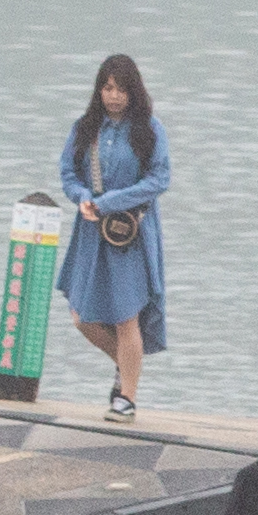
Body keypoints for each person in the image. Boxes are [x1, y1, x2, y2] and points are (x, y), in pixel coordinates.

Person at [58, 54, 172, 418]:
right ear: (99, 90)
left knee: (127, 316)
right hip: (92, 231)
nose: (114, 96)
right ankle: (126, 366)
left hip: (131, 234)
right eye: (107, 88)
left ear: (133, 91)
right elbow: (68, 174)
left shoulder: (150, 129)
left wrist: (109, 202)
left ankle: (128, 397)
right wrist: (83, 199)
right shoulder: (85, 128)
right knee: (81, 316)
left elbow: (158, 180)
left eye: (121, 89)